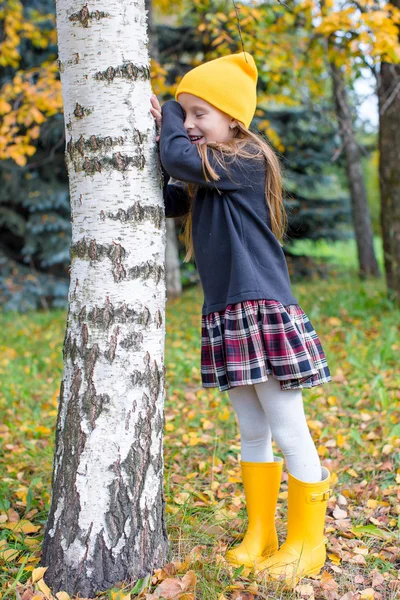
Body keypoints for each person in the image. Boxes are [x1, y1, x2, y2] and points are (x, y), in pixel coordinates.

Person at [150, 51, 332, 587]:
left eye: (198, 114)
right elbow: (167, 198)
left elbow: (179, 162)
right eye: (183, 115)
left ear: (233, 118)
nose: (187, 125)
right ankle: (262, 534)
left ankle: (308, 543)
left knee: (287, 427)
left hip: (260, 309)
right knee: (251, 429)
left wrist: (161, 111)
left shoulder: (245, 162)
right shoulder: (211, 175)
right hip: (227, 311)